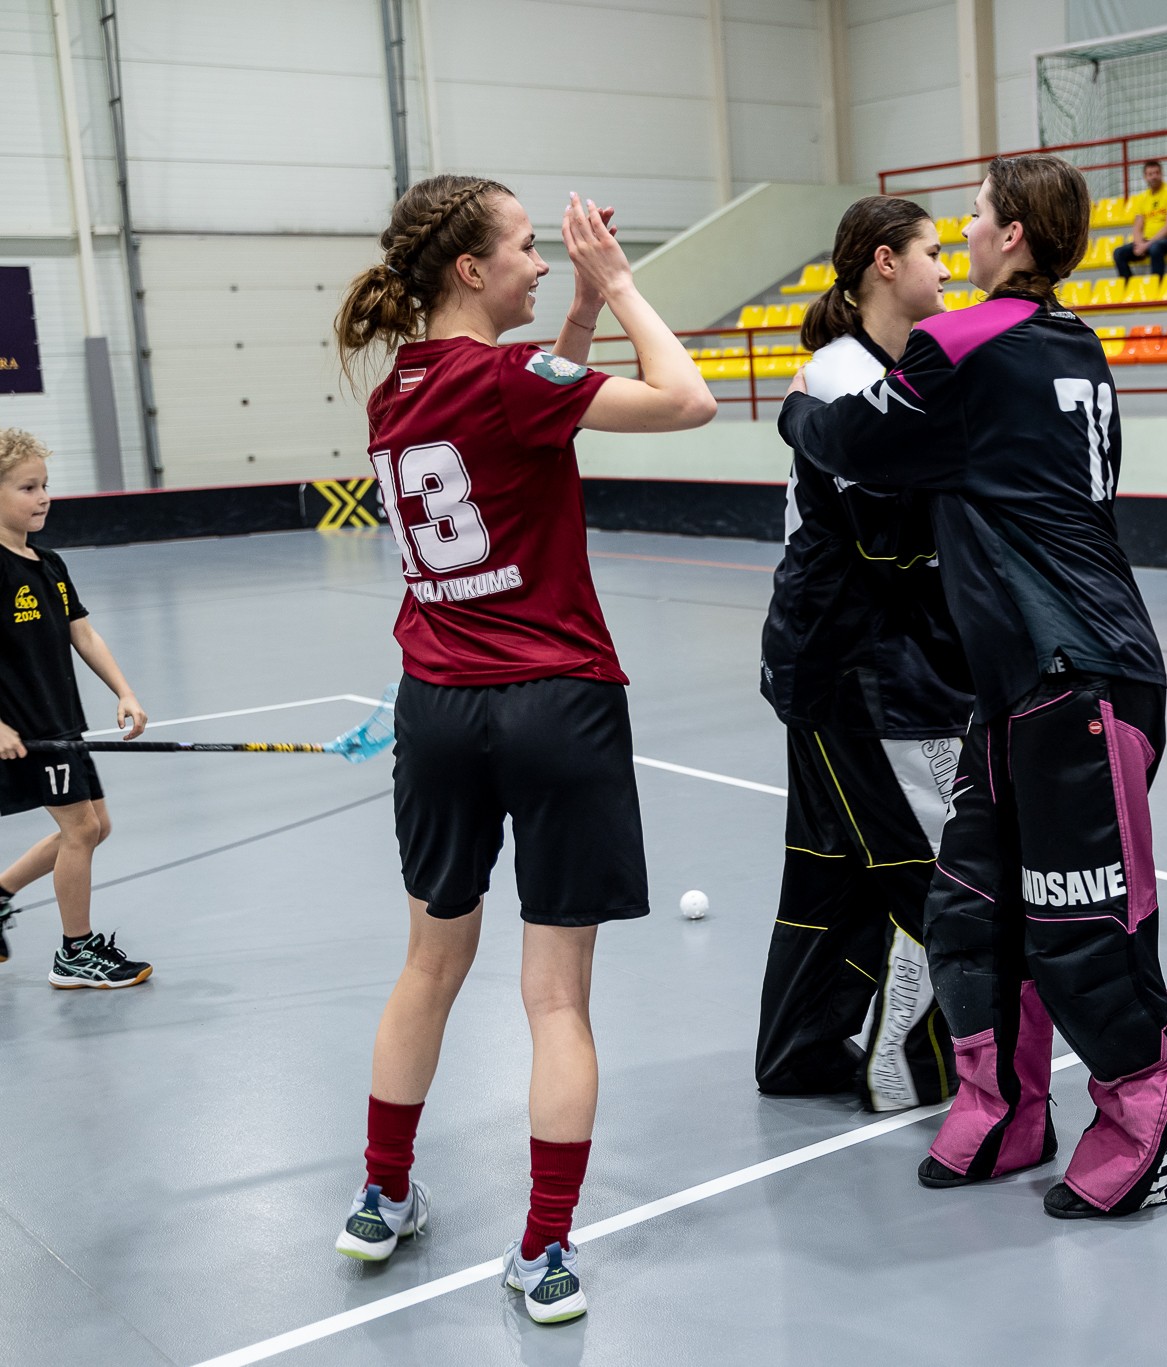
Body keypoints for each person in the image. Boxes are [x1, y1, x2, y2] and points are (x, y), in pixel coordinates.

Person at [330, 176, 717, 1322]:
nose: (545, 262)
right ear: (469, 269)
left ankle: (380, 1194)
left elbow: (529, 413)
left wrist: (577, 319)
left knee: (427, 965)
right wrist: (621, 286)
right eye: (524, 246)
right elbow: (687, 400)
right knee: (555, 999)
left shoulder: (397, 390)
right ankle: (545, 1248)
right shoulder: (509, 380)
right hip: (556, 704)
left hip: (438, 708)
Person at [781, 154, 1167, 1220]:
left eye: (973, 217)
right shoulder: (1070, 341)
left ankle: (1146, 1133)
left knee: (1084, 930)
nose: (962, 233)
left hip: (1079, 676)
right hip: (1014, 683)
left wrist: (796, 407)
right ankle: (1004, 1110)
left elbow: (853, 439)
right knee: (970, 909)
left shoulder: (965, 343)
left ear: (1011, 235)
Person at [756, 195, 972, 1112]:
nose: (947, 268)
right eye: (932, 251)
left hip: (854, 653)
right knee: (932, 859)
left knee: (831, 858)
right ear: (885, 262)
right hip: (854, 662)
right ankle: (914, 1063)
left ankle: (800, 1047)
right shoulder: (842, 375)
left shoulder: (888, 367)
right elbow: (888, 536)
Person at [0, 428, 151, 989]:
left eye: (45, 486)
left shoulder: (48, 563)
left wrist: (124, 691)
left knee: (95, 826)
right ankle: (75, 953)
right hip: (28, 730)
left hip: (62, 723)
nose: (43, 498)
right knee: (80, 829)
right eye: (27, 488)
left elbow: (82, 633)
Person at [1112, 159, 1167, 280]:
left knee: (1155, 248)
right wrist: (1139, 244)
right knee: (1119, 253)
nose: (1154, 177)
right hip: (1147, 242)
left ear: (1161, 174)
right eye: (1150, 174)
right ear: (1145, 177)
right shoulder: (1142, 198)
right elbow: (1137, 227)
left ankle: (1156, 285)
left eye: (1157, 173)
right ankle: (1129, 287)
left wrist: (1147, 245)